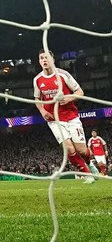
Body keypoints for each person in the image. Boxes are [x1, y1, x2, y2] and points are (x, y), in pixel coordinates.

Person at [34, 49, 99, 183]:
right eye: (41, 58)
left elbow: (80, 92)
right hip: (54, 119)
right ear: (39, 62)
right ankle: (88, 175)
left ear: (53, 60)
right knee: (69, 148)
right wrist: (42, 111)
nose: (44, 60)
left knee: (82, 150)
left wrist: (69, 98)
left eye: (47, 57)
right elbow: (37, 99)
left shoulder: (63, 75)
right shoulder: (37, 80)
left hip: (71, 117)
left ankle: (90, 164)